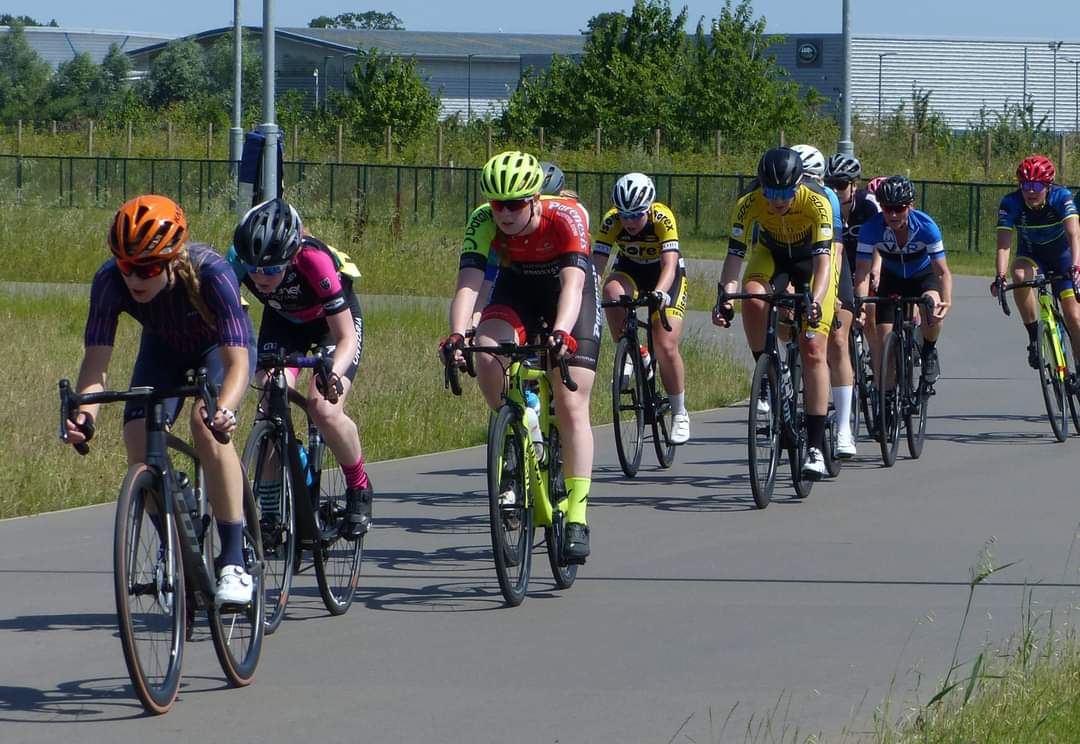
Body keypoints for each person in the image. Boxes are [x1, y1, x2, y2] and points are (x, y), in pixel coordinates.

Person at [62, 194, 257, 606]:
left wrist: (225, 409)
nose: (135, 278)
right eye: (127, 266)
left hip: (218, 350)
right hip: (163, 350)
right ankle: (173, 543)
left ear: (173, 259)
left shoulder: (212, 273)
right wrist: (84, 416)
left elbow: (238, 361)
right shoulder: (109, 282)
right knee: (137, 441)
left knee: (206, 428)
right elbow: (96, 367)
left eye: (148, 268)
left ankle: (235, 559)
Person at [442, 151, 600, 562]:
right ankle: (513, 432)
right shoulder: (482, 221)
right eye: (497, 204)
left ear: (534, 200)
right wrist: (459, 334)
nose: (505, 213)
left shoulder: (566, 216)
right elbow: (469, 284)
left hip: (568, 295)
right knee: (488, 351)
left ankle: (578, 515)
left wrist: (562, 332)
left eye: (514, 204)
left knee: (571, 399)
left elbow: (573, 285)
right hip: (518, 291)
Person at [229, 198, 372, 539]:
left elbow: (346, 337)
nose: (260, 277)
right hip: (282, 323)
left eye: (271, 269)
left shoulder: (314, 260)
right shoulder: (236, 260)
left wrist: (333, 374)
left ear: (291, 256)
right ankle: (270, 513)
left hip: (331, 325)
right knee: (267, 403)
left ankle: (359, 486)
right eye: (254, 269)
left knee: (324, 407)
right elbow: (226, 320)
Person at [713, 147, 839, 479]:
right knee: (752, 296)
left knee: (813, 349)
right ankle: (767, 372)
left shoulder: (817, 201)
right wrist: (725, 295)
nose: (777, 200)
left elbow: (825, 262)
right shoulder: (749, 202)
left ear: (799, 184)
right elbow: (734, 258)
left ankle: (814, 446)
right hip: (771, 254)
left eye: (785, 192)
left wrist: (817, 299)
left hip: (811, 260)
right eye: (771, 192)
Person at [593, 172, 691, 444]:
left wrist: (660, 292)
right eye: (624, 215)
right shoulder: (612, 220)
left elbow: (670, 264)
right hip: (630, 271)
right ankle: (633, 353)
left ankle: (680, 412)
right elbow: (598, 264)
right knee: (611, 292)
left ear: (648, 208)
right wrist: (586, 291)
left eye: (636, 215)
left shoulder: (662, 217)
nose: (629, 221)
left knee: (667, 344)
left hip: (665, 275)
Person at [854, 176, 952, 385]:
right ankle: (887, 399)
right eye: (888, 208)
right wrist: (860, 303)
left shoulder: (926, 226)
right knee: (884, 348)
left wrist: (947, 300)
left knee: (931, 305)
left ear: (910, 206)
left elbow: (942, 272)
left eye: (900, 208)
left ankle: (929, 349)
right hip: (892, 277)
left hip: (922, 275)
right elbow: (862, 272)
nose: (894, 214)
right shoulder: (871, 228)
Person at [793, 145, 856, 458]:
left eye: (808, 178)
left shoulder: (827, 198)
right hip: (793, 260)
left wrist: (829, 298)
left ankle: (844, 428)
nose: (802, 184)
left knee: (837, 338)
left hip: (828, 263)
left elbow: (837, 252)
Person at [992, 155, 1080, 370]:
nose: (1030, 191)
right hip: (1031, 256)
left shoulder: (1061, 197)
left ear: (1048, 185)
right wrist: (1000, 276)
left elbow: (1073, 234)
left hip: (1063, 258)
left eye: (1036, 185)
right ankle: (1033, 337)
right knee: (1020, 276)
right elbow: (1004, 245)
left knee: (1075, 317)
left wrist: (1076, 266)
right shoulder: (1011, 202)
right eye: (1025, 185)